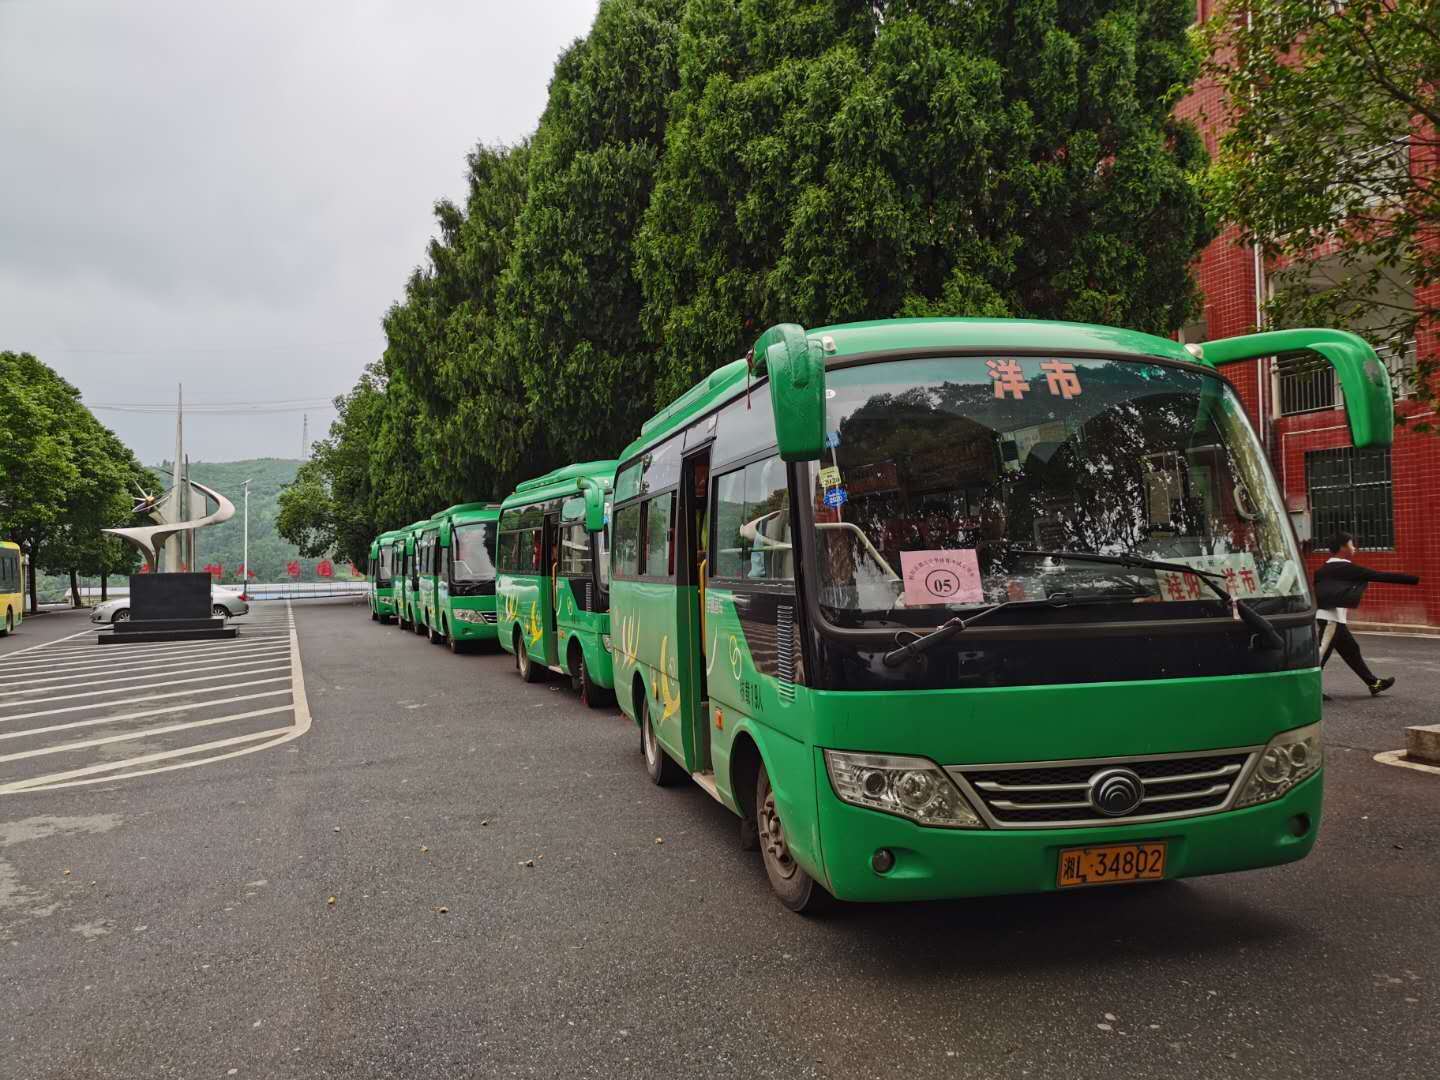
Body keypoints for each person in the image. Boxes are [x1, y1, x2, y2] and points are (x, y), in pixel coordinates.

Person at [1314, 531, 1421, 697]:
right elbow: (1380, 576)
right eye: (1351, 544)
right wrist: (1415, 579)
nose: (1354, 547)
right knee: (1321, 654)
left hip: (1332, 619)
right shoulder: (1346, 568)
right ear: (1343, 547)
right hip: (1331, 620)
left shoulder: (1322, 570)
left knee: (1351, 650)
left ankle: (1373, 683)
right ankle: (1308, 690)